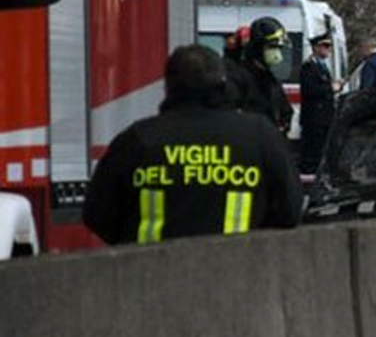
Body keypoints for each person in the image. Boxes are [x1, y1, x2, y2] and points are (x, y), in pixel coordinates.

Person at [83, 44, 302, 245]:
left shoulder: (139, 140)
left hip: (151, 276)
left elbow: (97, 213)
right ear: (223, 84)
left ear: (168, 87)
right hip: (237, 273)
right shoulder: (259, 136)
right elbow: (289, 210)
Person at [239, 17, 293, 133]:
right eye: (272, 47)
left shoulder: (270, 78)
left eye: (278, 48)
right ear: (258, 48)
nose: (277, 54)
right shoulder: (242, 78)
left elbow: (285, 110)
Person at [299, 32, 337, 174]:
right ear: (315, 48)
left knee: (321, 151)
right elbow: (309, 90)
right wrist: (330, 88)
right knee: (312, 152)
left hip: (324, 117)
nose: (328, 49)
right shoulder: (309, 67)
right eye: (325, 46)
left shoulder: (323, 67)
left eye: (329, 46)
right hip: (314, 117)